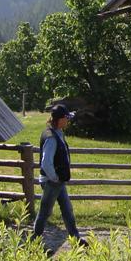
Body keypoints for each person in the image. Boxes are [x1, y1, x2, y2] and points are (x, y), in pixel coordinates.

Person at [32, 103, 82, 247]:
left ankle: (76, 238)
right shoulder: (52, 137)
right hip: (52, 181)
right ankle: (34, 240)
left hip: (57, 181)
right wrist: (54, 178)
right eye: (66, 118)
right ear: (60, 119)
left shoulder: (56, 132)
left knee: (67, 209)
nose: (68, 121)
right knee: (45, 212)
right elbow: (46, 163)